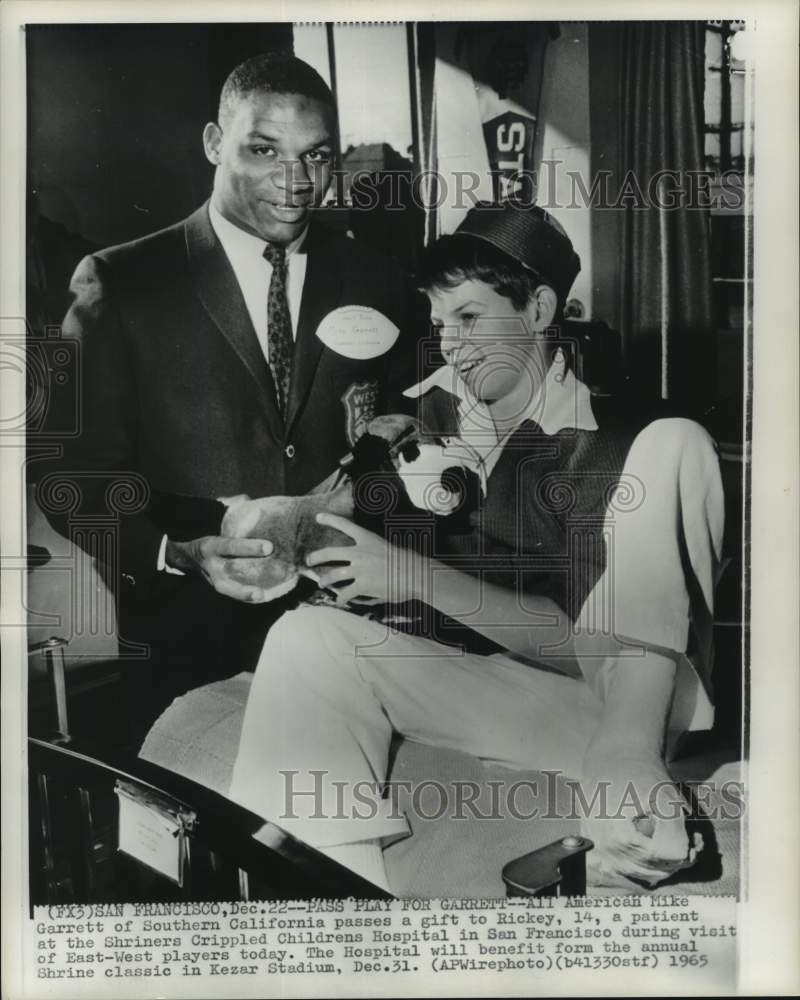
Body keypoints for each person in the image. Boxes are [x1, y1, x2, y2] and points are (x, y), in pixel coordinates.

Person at [228, 201, 725, 891]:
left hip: (616, 700)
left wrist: (411, 576)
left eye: (468, 316)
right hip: (505, 689)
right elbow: (342, 523)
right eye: (440, 324)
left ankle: (628, 766)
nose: (451, 344)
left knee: (677, 439)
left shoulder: (617, 442)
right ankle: (326, 907)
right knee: (305, 638)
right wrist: (295, 526)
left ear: (539, 308)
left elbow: (586, 644)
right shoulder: (434, 418)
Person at [45, 52, 423, 740]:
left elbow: (407, 432)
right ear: (215, 143)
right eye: (263, 150)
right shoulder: (122, 283)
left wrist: (372, 492)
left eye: (316, 156)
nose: (295, 182)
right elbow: (69, 477)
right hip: (189, 646)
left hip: (354, 638)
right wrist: (176, 550)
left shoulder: (380, 280)